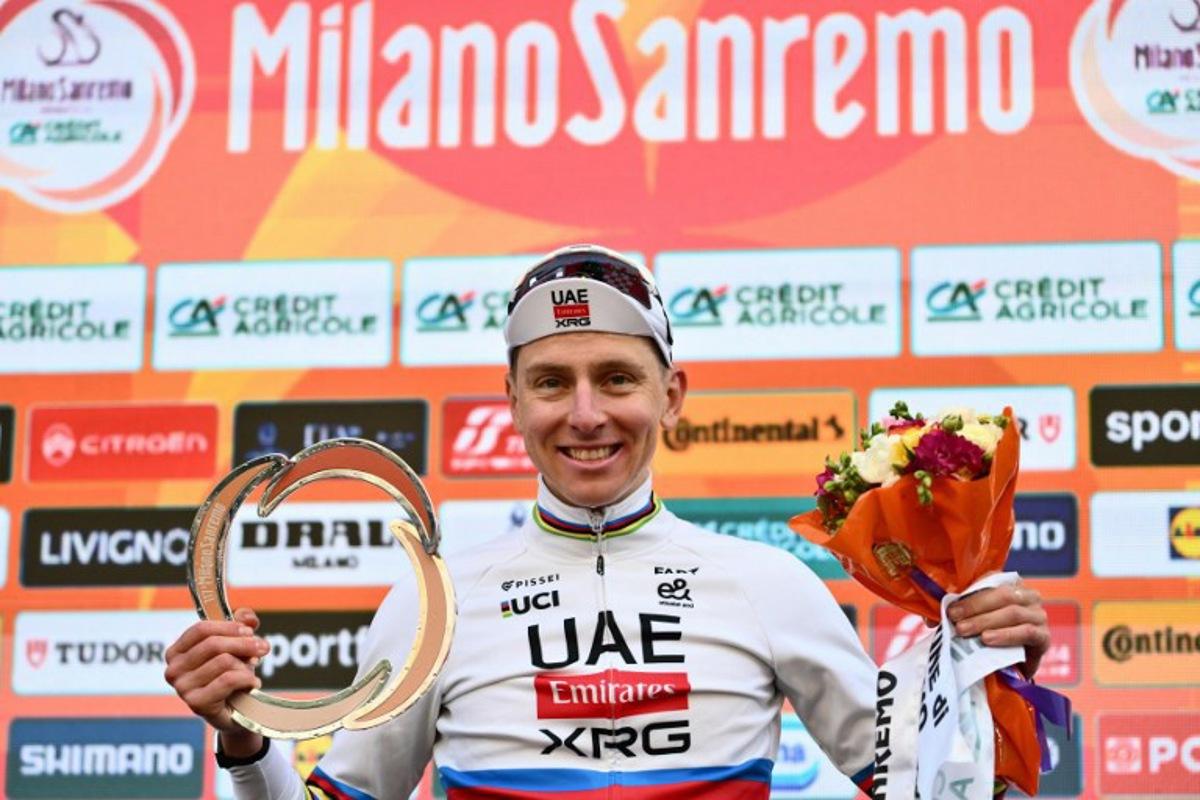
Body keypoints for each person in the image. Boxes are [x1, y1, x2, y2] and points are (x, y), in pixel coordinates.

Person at [165, 245, 1051, 800]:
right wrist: (244, 741)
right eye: (551, 382)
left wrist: (987, 673)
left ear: (672, 396)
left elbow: (942, 793)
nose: (585, 414)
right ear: (511, 401)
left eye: (617, 379)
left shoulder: (766, 582)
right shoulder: (437, 603)